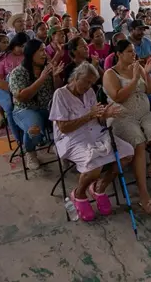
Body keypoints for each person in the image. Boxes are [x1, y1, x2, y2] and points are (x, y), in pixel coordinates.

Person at [50, 63, 131, 221]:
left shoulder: (90, 92)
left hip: (95, 133)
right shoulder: (60, 94)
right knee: (94, 167)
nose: (88, 86)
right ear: (76, 77)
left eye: (92, 83)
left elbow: (97, 118)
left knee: (127, 153)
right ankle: (79, 193)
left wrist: (105, 114)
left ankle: (99, 188)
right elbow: (64, 128)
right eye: (86, 82)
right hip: (72, 139)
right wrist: (89, 116)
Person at [102, 40, 151, 217]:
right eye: (129, 51)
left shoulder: (137, 67)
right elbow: (118, 97)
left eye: (133, 51)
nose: (134, 54)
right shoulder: (110, 73)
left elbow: (150, 90)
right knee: (138, 143)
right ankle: (144, 196)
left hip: (144, 113)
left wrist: (146, 73)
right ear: (119, 54)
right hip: (122, 116)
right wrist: (134, 79)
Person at [9, 39, 64, 170]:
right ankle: (30, 152)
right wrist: (42, 79)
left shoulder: (48, 69)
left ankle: (63, 147)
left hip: (48, 108)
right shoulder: (18, 73)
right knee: (34, 129)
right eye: (41, 50)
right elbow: (22, 97)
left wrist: (56, 77)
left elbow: (58, 92)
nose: (45, 54)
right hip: (25, 110)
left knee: (70, 119)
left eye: (45, 50)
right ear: (30, 53)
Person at [0, 33, 28, 143]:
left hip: (26, 88)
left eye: (25, 46)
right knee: (10, 108)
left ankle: (32, 134)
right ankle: (19, 139)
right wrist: (14, 91)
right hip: (6, 89)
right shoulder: (3, 57)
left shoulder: (28, 55)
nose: (22, 49)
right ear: (14, 45)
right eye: (20, 46)